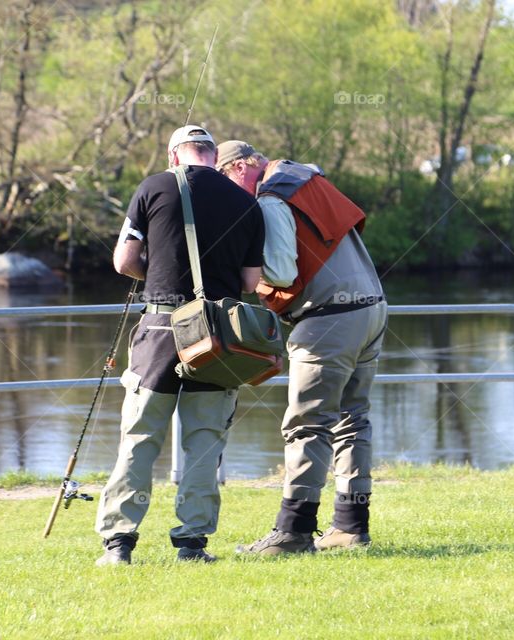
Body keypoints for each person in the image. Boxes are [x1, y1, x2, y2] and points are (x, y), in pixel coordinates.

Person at [94, 126, 265, 565]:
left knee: (140, 436)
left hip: (160, 329)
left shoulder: (152, 187)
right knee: (204, 439)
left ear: (174, 156)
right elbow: (250, 282)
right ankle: (192, 544)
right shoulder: (247, 202)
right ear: (212, 156)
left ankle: (119, 544)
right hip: (217, 337)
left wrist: (156, 273)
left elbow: (124, 261)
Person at [217, 140, 387, 554]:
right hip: (371, 308)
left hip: (328, 318)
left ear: (240, 167)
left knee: (306, 425)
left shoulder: (272, 198)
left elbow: (281, 269)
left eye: (225, 179)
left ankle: (293, 531)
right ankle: (350, 527)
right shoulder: (303, 179)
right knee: (352, 420)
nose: (228, 191)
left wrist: (241, 267)